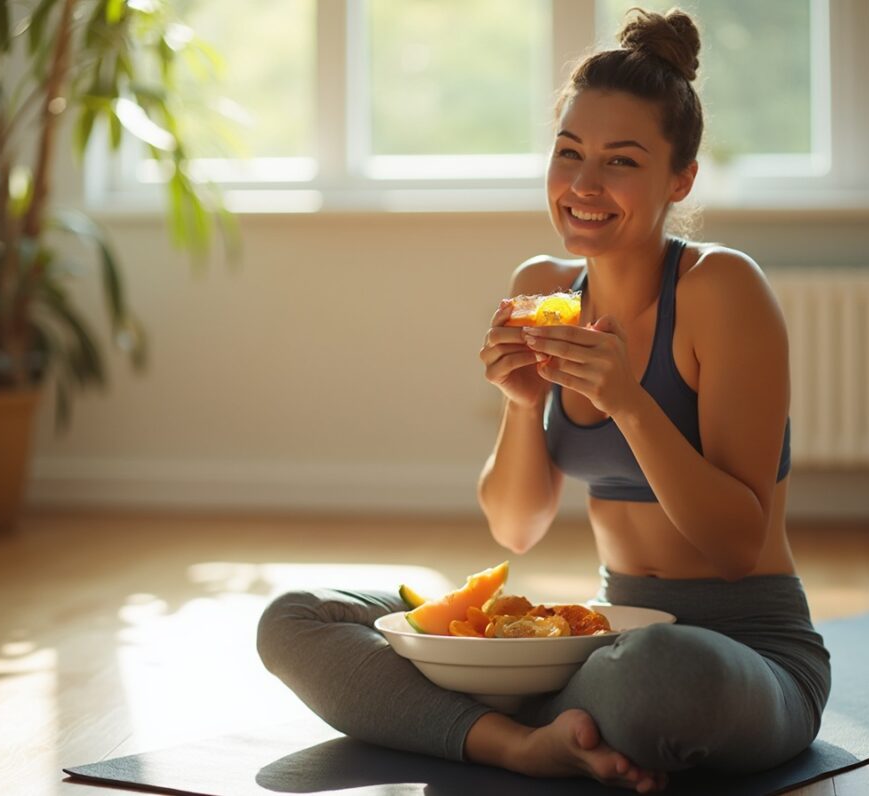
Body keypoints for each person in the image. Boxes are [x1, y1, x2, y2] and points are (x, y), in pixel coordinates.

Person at [256, 7, 830, 793]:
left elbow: (735, 546)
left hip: (740, 650)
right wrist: (523, 406)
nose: (584, 186)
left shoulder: (722, 288)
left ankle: (505, 716)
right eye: (569, 154)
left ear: (680, 179)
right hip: (602, 634)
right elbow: (516, 528)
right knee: (297, 617)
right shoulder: (543, 287)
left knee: (661, 677)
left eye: (621, 162)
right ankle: (520, 743)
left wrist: (629, 400)